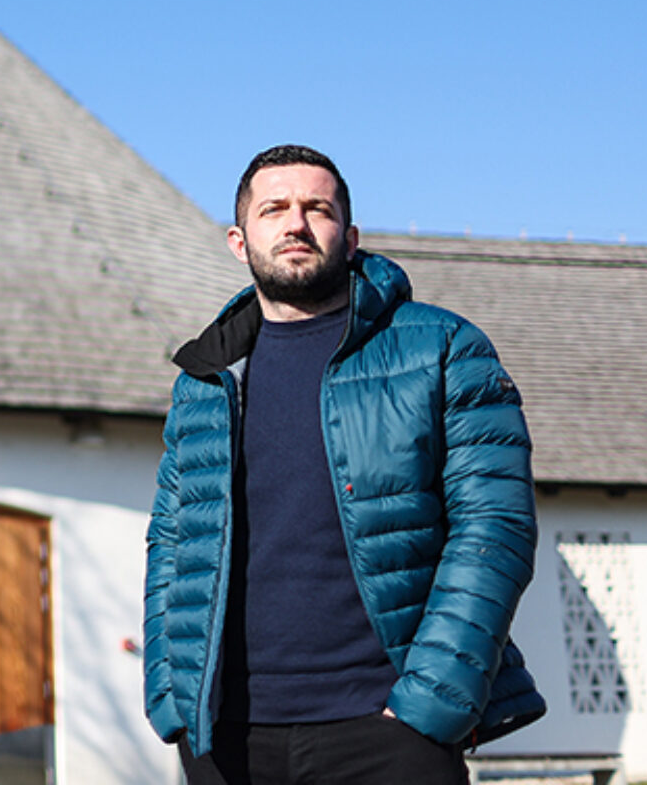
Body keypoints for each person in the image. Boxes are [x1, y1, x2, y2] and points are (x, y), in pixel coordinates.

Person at [143, 146, 545, 785]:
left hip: (388, 730)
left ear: (350, 237)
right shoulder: (206, 379)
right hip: (227, 739)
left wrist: (431, 700)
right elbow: (171, 540)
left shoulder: (442, 348)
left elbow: (495, 528)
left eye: (317, 209)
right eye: (274, 209)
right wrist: (170, 696)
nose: (296, 224)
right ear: (239, 241)